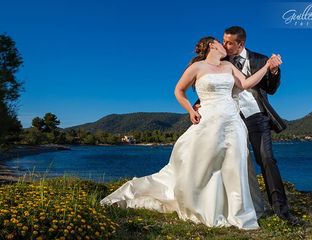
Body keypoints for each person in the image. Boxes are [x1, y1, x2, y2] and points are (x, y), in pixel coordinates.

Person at [100, 36, 280, 230]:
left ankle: (236, 210)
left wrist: (267, 66)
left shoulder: (229, 67)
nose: (224, 45)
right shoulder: (197, 68)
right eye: (220, 42)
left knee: (234, 163)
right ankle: (204, 206)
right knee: (205, 164)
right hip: (209, 120)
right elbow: (179, 90)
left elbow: (246, 84)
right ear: (212, 45)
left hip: (232, 121)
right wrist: (190, 110)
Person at [194, 26, 299, 225]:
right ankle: (222, 206)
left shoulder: (260, 59)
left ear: (240, 44)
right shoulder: (220, 61)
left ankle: (282, 211)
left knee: (267, 160)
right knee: (224, 162)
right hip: (229, 119)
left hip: (256, 117)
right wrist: (197, 105)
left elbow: (271, 88)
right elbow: (209, 85)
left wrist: (274, 69)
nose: (224, 45)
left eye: (229, 42)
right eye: (223, 41)